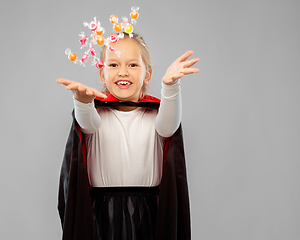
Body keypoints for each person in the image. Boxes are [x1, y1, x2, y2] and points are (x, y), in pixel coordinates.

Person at [57, 32, 199, 240]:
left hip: (148, 211)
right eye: (113, 65)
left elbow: (169, 127)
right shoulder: (96, 115)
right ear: (102, 75)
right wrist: (82, 102)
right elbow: (87, 123)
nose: (123, 72)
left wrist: (170, 88)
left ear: (147, 75)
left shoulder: (156, 115)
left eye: (132, 65)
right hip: (102, 212)